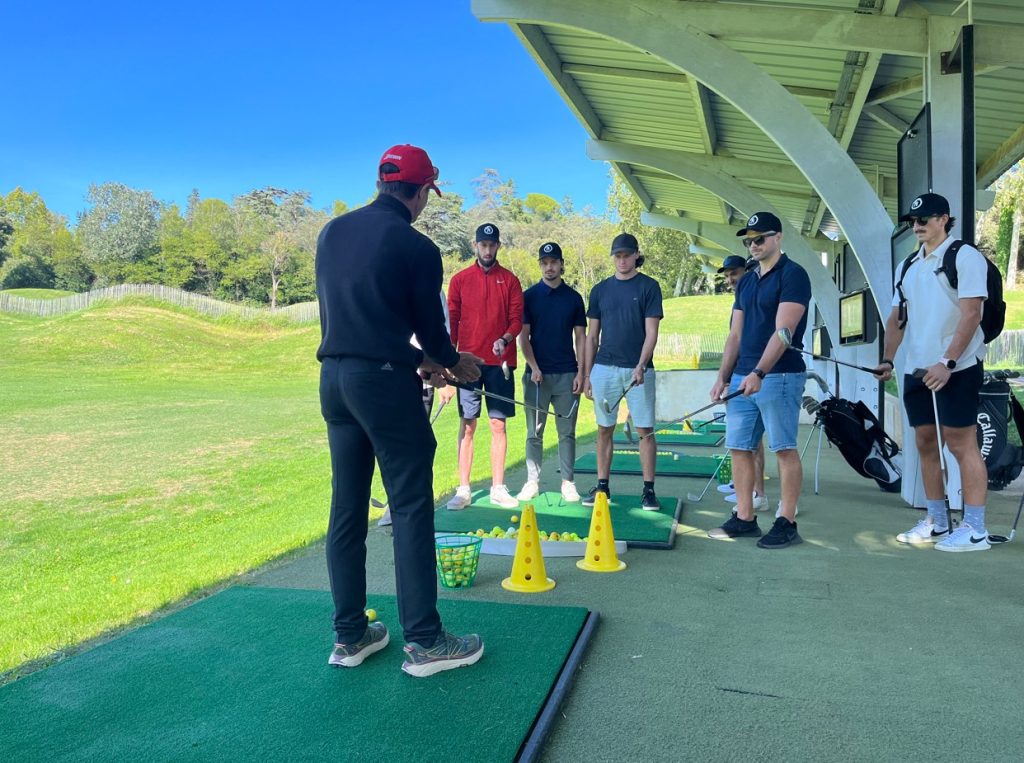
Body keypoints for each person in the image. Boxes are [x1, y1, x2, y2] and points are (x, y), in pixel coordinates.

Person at [316, 144, 484, 676]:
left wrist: (417, 361)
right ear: (419, 192)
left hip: (336, 381)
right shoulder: (416, 246)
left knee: (347, 507)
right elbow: (434, 334)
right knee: (411, 505)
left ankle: (350, 636)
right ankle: (426, 642)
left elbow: (363, 322)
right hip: (382, 386)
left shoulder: (332, 233)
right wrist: (455, 364)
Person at [874, 192, 991, 552]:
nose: (918, 225)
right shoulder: (908, 265)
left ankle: (975, 529)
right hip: (916, 369)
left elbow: (972, 314)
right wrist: (889, 359)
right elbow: (897, 318)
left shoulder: (965, 257)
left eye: (925, 219)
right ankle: (938, 522)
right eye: (913, 221)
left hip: (958, 367)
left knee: (961, 444)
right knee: (925, 443)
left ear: (944, 219)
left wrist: (948, 362)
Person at [708, 212, 810, 549]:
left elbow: (784, 332)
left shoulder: (794, 275)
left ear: (777, 238)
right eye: (748, 241)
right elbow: (734, 334)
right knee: (739, 448)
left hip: (778, 376)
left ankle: (787, 521)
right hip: (742, 377)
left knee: (783, 448)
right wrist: (723, 376)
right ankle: (745, 517)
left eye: (759, 239)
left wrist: (759, 372)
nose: (753, 245)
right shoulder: (748, 280)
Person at [582, 233, 663, 510]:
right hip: (604, 368)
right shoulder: (600, 290)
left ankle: (649, 490)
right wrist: (587, 374)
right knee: (604, 429)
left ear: (636, 255)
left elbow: (651, 333)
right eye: (618, 256)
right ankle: (602, 487)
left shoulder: (649, 286)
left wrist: (641, 365)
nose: (622, 260)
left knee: (645, 431)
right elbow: (592, 337)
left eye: (627, 255)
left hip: (639, 370)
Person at [446, 223, 524, 510]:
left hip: (500, 362)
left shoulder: (511, 280)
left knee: (497, 424)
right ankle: (463, 489)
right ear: (475, 246)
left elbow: (516, 319)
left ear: (498, 246)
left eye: (492, 245)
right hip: (467, 363)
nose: (487, 249)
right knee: (468, 425)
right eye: (483, 245)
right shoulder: (460, 279)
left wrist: (504, 339)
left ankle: (498, 488)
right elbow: (452, 322)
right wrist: (447, 360)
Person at [516, 242, 587, 503]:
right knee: (534, 432)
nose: (549, 267)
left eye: (554, 262)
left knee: (566, 432)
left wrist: (582, 372)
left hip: (567, 374)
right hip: (536, 376)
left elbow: (581, 338)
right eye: (545, 263)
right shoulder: (529, 296)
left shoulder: (574, 298)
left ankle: (568, 482)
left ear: (561, 264)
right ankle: (532, 481)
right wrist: (534, 367)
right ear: (540, 265)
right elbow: (523, 338)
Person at [378, 290, 451, 528]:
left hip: (421, 377)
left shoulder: (435, 291)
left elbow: (439, 332)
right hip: (393, 374)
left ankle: (412, 503)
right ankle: (395, 503)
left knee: (420, 445)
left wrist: (435, 371)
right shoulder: (389, 283)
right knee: (395, 444)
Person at [715, 254, 767, 511]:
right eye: (726, 275)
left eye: (733, 273)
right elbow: (734, 339)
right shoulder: (740, 298)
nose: (730, 279)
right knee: (744, 442)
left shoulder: (756, 296)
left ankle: (758, 492)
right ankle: (743, 486)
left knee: (753, 442)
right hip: (739, 374)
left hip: (754, 375)